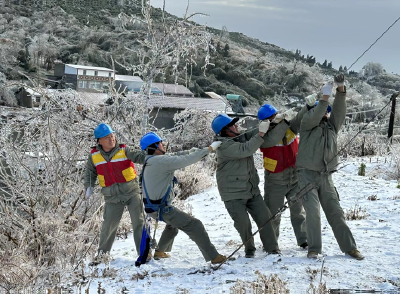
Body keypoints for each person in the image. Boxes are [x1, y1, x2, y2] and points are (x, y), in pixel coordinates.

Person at [296, 74, 364, 260]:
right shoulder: (306, 124)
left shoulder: (331, 127)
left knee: (336, 212)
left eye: (326, 110)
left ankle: (350, 248)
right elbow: (317, 112)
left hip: (325, 176)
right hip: (306, 175)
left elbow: (339, 112)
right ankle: (314, 249)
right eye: (322, 110)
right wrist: (324, 97)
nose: (325, 113)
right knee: (313, 213)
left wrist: (340, 90)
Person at [139, 132, 226, 264]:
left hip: (153, 208)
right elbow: (185, 161)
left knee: (173, 226)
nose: (164, 145)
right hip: (161, 208)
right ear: (155, 147)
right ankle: (214, 257)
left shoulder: (151, 160)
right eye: (161, 143)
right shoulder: (160, 161)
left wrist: (189, 151)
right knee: (195, 225)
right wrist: (209, 149)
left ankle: (160, 251)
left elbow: (175, 156)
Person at [212, 113, 287, 258]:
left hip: (251, 189)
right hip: (233, 194)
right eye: (233, 125)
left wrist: (271, 123)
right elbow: (246, 149)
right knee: (244, 225)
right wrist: (261, 133)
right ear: (225, 130)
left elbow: (249, 134)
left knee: (265, 218)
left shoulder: (237, 137)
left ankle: (272, 249)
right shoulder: (224, 146)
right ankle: (250, 250)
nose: (237, 126)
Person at [84, 123, 146, 260]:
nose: (111, 139)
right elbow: (89, 172)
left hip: (131, 192)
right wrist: (89, 186)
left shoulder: (124, 150)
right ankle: (102, 255)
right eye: (107, 137)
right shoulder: (94, 156)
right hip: (111, 196)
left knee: (139, 222)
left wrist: (152, 155)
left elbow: (140, 157)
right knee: (108, 225)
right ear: (99, 141)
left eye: (112, 135)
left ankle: (144, 253)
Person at [258, 102, 314, 249]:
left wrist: (307, 107)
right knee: (273, 214)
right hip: (275, 180)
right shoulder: (263, 135)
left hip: (294, 176)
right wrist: (284, 123)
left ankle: (304, 240)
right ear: (266, 121)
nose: (276, 117)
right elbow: (274, 138)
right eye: (272, 117)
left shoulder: (289, 127)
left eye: (276, 114)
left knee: (298, 211)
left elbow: (298, 121)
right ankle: (271, 244)